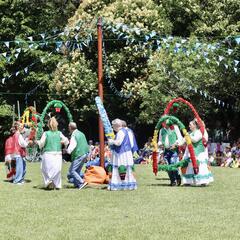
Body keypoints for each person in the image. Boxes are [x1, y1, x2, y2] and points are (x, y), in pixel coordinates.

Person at [37, 117, 69, 190]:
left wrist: (37, 142)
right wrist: (64, 145)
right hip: (58, 153)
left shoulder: (46, 133)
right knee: (57, 169)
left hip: (48, 153)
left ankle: (49, 181)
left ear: (48, 125)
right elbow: (66, 141)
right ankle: (57, 185)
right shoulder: (59, 133)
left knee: (45, 168)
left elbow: (41, 143)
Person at [181, 119, 214, 186]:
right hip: (191, 152)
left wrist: (188, 136)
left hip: (199, 152)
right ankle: (188, 181)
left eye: (190, 125)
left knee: (201, 166)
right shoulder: (190, 133)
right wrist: (176, 144)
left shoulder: (199, 132)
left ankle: (203, 181)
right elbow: (182, 141)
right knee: (190, 166)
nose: (189, 126)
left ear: (195, 126)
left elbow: (195, 140)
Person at [108, 118, 137, 191]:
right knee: (126, 168)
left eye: (113, 126)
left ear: (116, 126)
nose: (113, 128)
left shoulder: (121, 132)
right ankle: (128, 184)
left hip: (121, 153)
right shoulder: (127, 131)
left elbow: (118, 143)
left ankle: (121, 184)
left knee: (121, 167)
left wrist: (111, 141)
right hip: (127, 152)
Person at [158, 119, 183, 186]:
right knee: (168, 167)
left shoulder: (175, 127)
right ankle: (172, 181)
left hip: (174, 150)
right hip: (165, 151)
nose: (163, 123)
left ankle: (177, 177)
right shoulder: (161, 130)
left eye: (164, 122)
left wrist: (175, 144)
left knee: (173, 164)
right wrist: (160, 145)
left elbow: (180, 138)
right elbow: (159, 140)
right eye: (162, 122)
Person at [66, 122, 89, 189]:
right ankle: (77, 185)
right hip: (85, 153)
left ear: (70, 127)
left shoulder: (74, 135)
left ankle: (82, 182)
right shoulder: (81, 133)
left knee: (72, 171)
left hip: (79, 154)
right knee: (77, 171)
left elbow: (72, 145)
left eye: (68, 127)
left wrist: (67, 151)